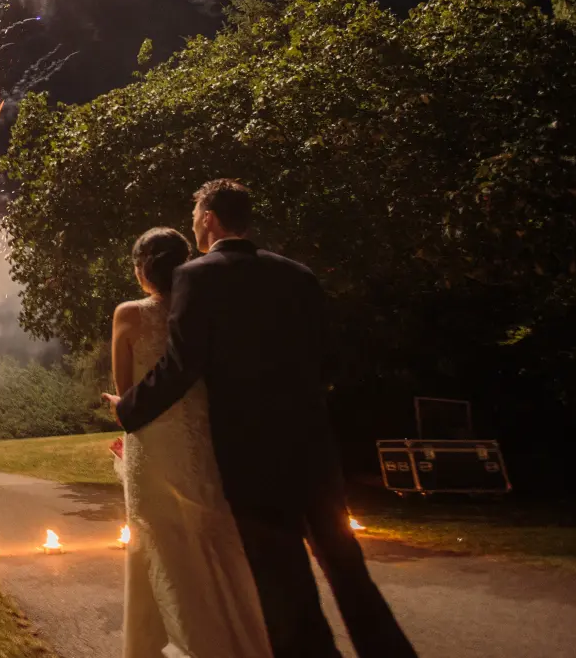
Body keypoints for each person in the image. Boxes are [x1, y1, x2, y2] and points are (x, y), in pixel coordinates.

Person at [106, 180, 417, 658]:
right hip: (313, 447)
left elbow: (181, 367)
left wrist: (128, 409)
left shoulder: (197, 277)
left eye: (195, 219)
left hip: (251, 455)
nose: (195, 227)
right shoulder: (297, 274)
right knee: (349, 572)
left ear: (209, 219)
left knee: (286, 580)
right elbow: (331, 360)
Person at [111, 227, 273, 658]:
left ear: (143, 270)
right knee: (212, 544)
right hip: (202, 445)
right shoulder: (209, 313)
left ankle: (178, 647)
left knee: (158, 545)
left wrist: (120, 406)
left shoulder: (129, 314)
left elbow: (126, 396)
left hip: (153, 447)